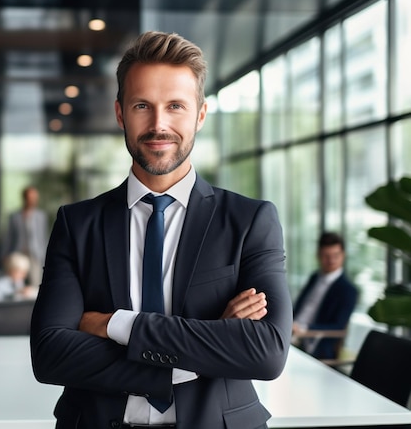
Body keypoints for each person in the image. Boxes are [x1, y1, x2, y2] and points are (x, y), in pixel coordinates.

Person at [30, 31, 293, 429]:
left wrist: (115, 324)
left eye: (175, 106)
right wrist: (204, 348)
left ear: (200, 114)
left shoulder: (249, 221)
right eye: (142, 106)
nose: (158, 124)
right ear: (120, 113)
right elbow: (50, 354)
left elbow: (268, 353)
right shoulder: (77, 223)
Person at [292, 231, 358, 360]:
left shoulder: (348, 290)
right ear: (318, 255)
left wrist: (304, 329)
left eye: (336, 255)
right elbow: (299, 308)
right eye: (326, 256)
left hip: (315, 343)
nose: (331, 260)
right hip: (292, 333)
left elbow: (338, 326)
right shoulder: (314, 277)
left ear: (343, 255)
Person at [1, 186, 49, 287]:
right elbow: (9, 237)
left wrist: (46, 256)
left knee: (36, 282)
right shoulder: (15, 216)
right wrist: (5, 254)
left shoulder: (41, 216)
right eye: (30, 198)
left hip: (35, 254)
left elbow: (43, 237)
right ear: (24, 198)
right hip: (19, 253)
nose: (32, 200)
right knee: (16, 281)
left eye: (34, 198)